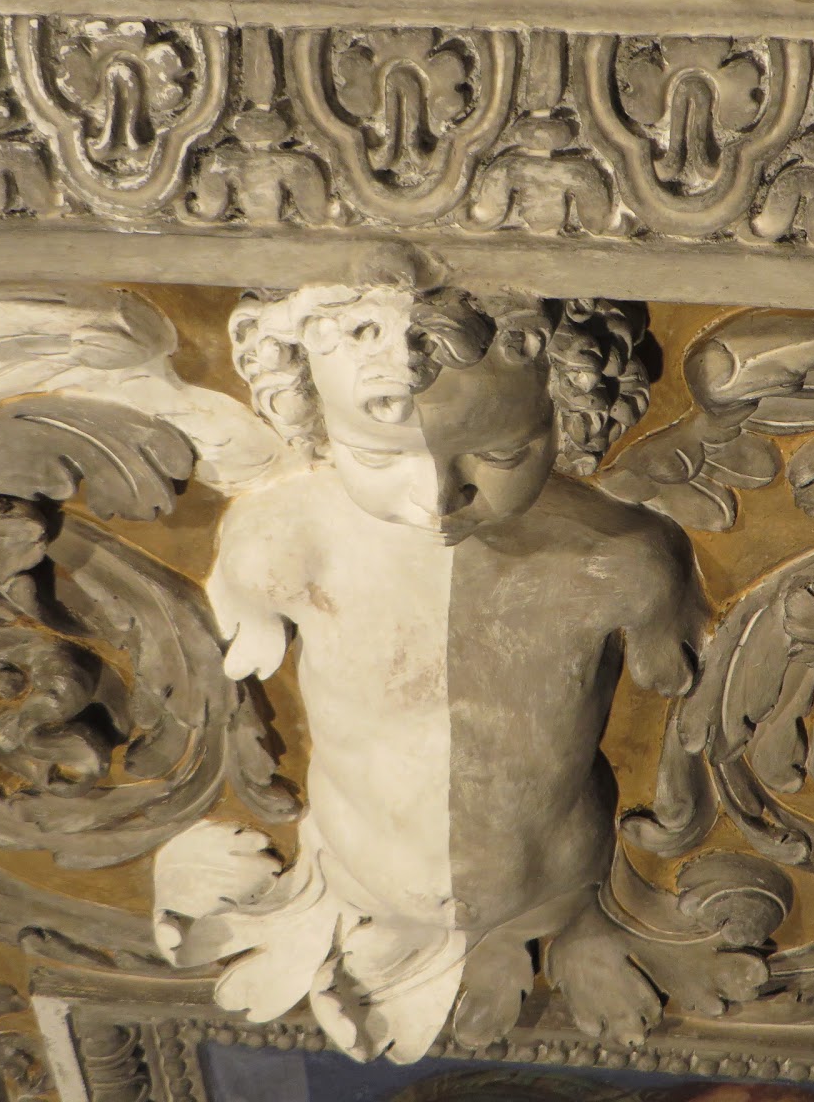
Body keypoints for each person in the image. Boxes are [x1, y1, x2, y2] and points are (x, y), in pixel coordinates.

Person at [154, 247, 708, 1064]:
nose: (437, 498)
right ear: (311, 419)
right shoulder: (280, 542)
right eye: (377, 454)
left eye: (503, 453)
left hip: (565, 876)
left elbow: (683, 697)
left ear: (571, 413)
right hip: (349, 871)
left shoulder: (622, 561)